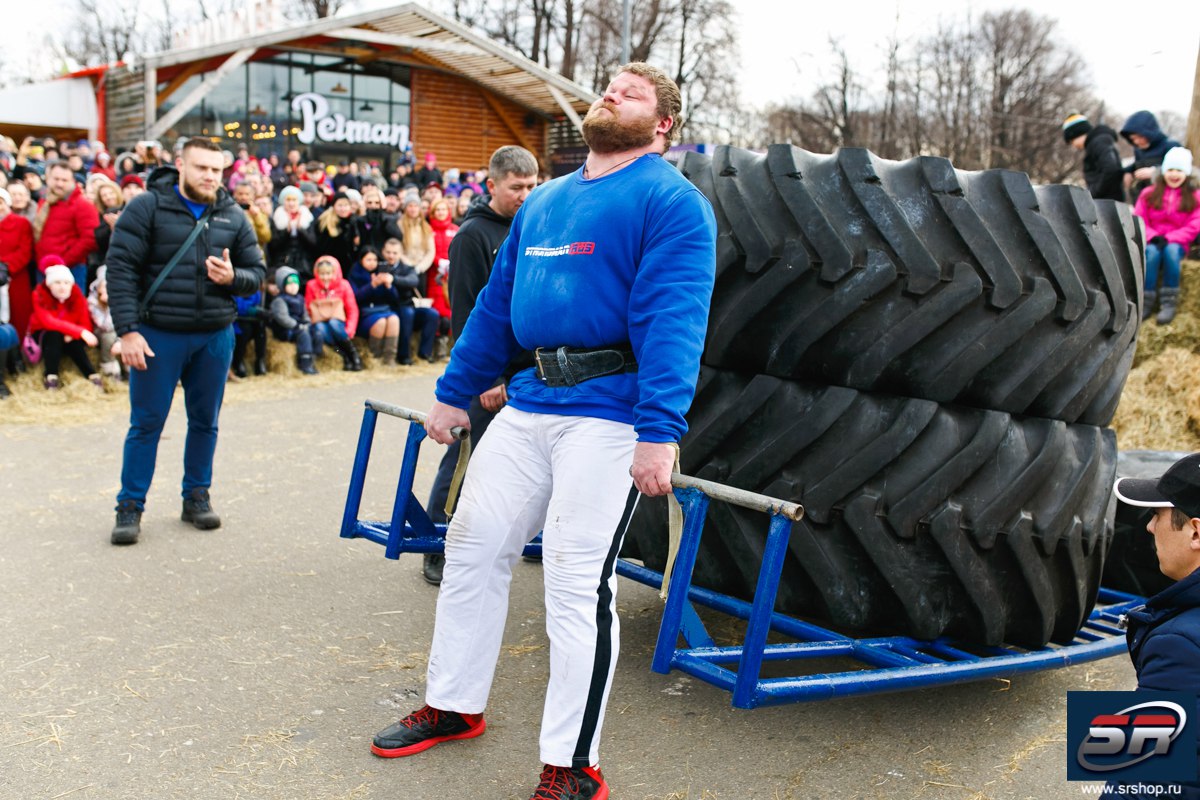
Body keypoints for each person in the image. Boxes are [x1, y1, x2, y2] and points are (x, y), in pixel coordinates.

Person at [370, 63, 717, 800]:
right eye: (609, 86)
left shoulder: (671, 202)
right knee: (469, 547)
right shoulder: (547, 201)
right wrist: (454, 393)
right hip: (528, 407)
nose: (611, 93)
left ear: (663, 125)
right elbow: (496, 309)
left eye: (633, 92)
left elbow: (674, 321)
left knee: (572, 581)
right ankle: (454, 706)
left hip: (611, 415)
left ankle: (573, 764)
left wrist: (659, 431)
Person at [105, 138, 265, 546]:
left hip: (214, 336)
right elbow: (120, 269)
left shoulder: (233, 214)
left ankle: (196, 496)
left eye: (216, 169)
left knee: (205, 422)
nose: (210, 176)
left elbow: (258, 273)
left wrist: (233, 279)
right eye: (201, 168)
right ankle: (130, 505)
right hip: (157, 334)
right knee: (146, 424)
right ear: (180, 165)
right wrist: (127, 331)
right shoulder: (147, 207)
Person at [420, 145, 539, 585]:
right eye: (516, 187)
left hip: (527, 373)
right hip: (486, 376)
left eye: (531, 186)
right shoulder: (472, 237)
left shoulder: (534, 229)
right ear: (492, 185)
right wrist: (487, 376)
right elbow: (466, 311)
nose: (525, 195)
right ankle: (435, 546)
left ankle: (526, 537)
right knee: (462, 457)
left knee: (519, 463)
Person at [1109, 455, 1200, 800]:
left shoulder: (1180, 645)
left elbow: (1140, 782)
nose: (1148, 527)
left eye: (1156, 514)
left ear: (1195, 532)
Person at [1134, 147, 1200, 325]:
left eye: (1179, 170)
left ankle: (1168, 301)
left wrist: (1172, 238)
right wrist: (1152, 236)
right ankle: (1145, 301)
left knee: (1171, 252)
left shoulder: (1194, 196)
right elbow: (1139, 218)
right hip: (1153, 240)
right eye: (1170, 169)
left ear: (1187, 173)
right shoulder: (1148, 193)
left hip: (1177, 242)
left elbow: (1195, 223)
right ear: (1163, 171)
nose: (1174, 174)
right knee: (1152, 254)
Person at [30, 260, 101, 390]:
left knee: (73, 342)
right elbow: (48, 322)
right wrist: (78, 332)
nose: (62, 287)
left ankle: (91, 374)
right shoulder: (39, 295)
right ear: (50, 285)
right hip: (45, 336)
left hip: (69, 337)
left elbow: (86, 324)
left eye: (66, 283)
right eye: (57, 283)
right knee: (54, 335)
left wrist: (75, 333)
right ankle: (51, 376)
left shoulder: (77, 297)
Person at [33, 160, 99, 288]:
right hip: (43, 267)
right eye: (56, 179)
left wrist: (63, 262)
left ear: (72, 181)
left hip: (70, 268)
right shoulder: (46, 202)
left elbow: (89, 239)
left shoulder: (83, 205)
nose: (59, 183)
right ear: (48, 179)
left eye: (64, 180)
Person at [380, 237, 438, 365]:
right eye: (388, 252)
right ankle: (404, 356)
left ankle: (425, 354)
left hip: (407, 305)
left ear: (400, 254)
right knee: (407, 313)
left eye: (394, 253)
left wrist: (393, 279)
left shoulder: (407, 268)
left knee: (432, 314)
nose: (391, 256)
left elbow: (413, 281)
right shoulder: (379, 267)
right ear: (383, 252)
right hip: (388, 308)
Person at [304, 255, 363, 371]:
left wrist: (350, 330)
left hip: (338, 324)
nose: (325, 277)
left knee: (334, 324)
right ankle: (343, 355)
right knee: (320, 329)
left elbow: (352, 309)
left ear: (335, 273)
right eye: (322, 274)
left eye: (329, 273)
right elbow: (308, 307)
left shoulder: (344, 285)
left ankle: (353, 354)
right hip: (320, 322)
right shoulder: (311, 285)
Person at [347, 246, 402, 364]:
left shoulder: (382, 272)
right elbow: (355, 298)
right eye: (368, 260)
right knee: (380, 322)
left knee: (394, 319)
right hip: (365, 313)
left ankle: (389, 359)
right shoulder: (355, 273)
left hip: (384, 309)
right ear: (361, 260)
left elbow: (395, 299)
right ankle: (375, 358)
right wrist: (372, 285)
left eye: (375, 260)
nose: (372, 263)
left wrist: (389, 286)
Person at [1062, 114, 1124, 202]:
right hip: (1106, 202)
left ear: (1078, 134)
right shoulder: (1094, 144)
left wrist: (1094, 192)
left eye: (1072, 141)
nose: (1073, 145)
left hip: (1108, 202)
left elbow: (1111, 168)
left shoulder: (1099, 142)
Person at [1121, 111, 1182, 200]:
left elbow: (1181, 170)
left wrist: (1155, 171)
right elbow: (1138, 163)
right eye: (1133, 139)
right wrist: (1127, 172)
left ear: (1149, 133)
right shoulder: (1138, 150)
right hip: (1142, 198)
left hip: (1165, 198)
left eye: (1140, 137)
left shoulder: (1170, 145)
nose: (1136, 141)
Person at [0, 187, 35, 342]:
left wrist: (7, 267)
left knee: (19, 314)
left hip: (16, 276)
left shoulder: (21, 223)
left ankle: (20, 349)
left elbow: (25, 250)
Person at [87, 265, 123, 381]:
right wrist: (107, 305)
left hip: (119, 331)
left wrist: (120, 340)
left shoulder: (122, 300)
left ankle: (129, 370)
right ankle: (109, 368)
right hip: (101, 332)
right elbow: (104, 325)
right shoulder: (92, 302)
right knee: (109, 336)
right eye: (105, 286)